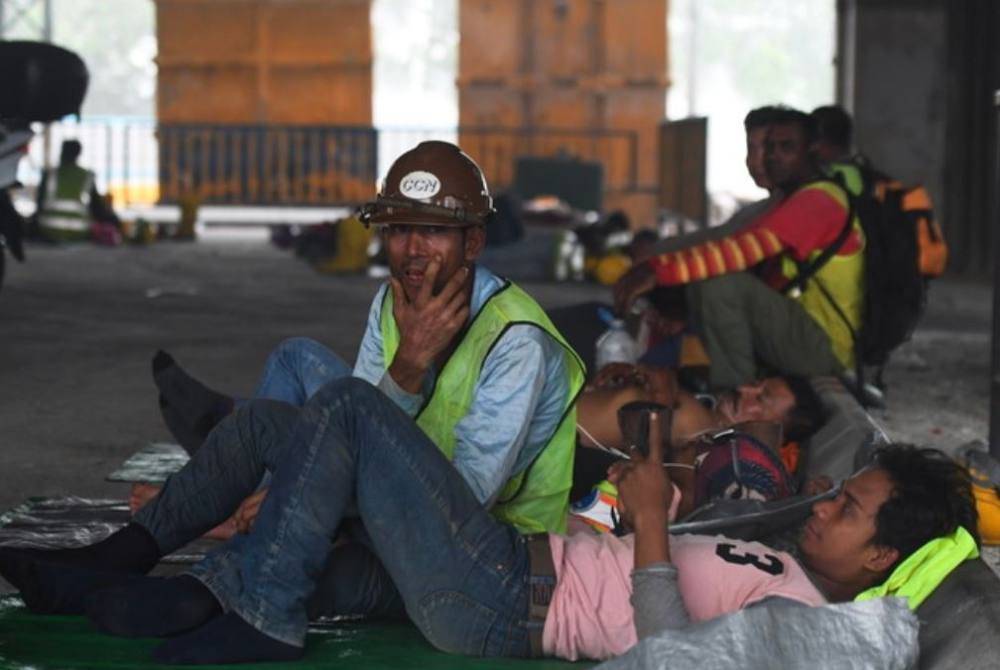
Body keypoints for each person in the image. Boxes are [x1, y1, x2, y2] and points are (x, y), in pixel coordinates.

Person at [0, 392, 977, 665]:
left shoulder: (806, 624)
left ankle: (251, 615)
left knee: (344, 409)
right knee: (268, 428)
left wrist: (644, 530)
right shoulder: (786, 559)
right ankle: (136, 577)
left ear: (883, 556)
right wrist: (651, 511)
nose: (827, 505)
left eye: (849, 511)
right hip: (506, 568)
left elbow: (676, 659)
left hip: (506, 596)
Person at [614, 107, 863, 389]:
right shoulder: (794, 198)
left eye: (787, 147)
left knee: (720, 284)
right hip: (803, 329)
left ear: (812, 150)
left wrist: (655, 271)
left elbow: (741, 251)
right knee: (708, 282)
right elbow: (726, 244)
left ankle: (735, 396)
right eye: (768, 147)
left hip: (825, 346)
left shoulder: (818, 201)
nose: (772, 156)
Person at [33, 139, 120, 242]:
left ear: (61, 152)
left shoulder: (49, 174)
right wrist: (113, 220)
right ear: (78, 154)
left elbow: (39, 205)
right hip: (79, 232)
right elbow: (97, 209)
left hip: (47, 230)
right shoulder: (87, 176)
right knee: (113, 220)